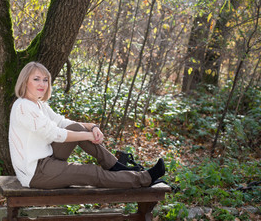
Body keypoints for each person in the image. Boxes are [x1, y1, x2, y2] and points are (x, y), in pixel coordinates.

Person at [9, 61, 165, 189]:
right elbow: (55, 134)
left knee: (77, 128)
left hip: (47, 160)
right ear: (25, 81)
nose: (42, 84)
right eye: (36, 79)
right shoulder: (24, 107)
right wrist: (88, 135)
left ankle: (116, 166)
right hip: (36, 172)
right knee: (91, 172)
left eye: (45, 79)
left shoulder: (38, 104)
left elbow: (63, 123)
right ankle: (144, 178)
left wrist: (92, 126)